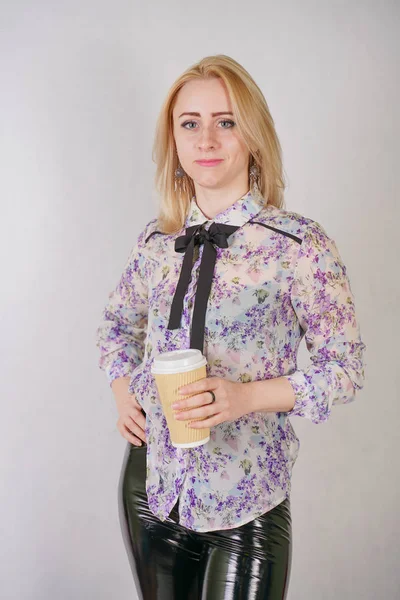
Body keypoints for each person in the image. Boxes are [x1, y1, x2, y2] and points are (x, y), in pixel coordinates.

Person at [95, 54, 366, 599]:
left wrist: (246, 398)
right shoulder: (155, 242)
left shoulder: (299, 246)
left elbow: (346, 369)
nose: (207, 140)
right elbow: (117, 325)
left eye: (226, 121)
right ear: (173, 141)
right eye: (189, 123)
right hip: (151, 488)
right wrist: (125, 393)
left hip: (246, 501)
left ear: (253, 134)